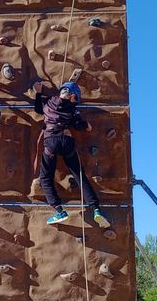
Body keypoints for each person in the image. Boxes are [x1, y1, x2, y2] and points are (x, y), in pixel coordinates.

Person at [33, 80, 111, 228]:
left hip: (51, 142)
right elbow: (78, 124)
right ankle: (96, 210)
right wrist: (86, 125)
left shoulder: (49, 101)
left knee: (45, 178)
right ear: (73, 97)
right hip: (67, 141)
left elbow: (38, 109)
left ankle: (59, 210)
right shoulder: (73, 109)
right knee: (79, 176)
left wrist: (38, 92)